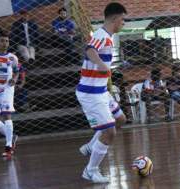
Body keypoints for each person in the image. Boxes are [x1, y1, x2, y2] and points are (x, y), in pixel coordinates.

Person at [76, 3, 127, 183]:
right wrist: (102, 65)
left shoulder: (108, 37)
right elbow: (89, 50)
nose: (123, 23)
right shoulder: (100, 36)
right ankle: (90, 170)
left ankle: (91, 147)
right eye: (122, 20)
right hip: (91, 93)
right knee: (109, 132)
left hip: (101, 91)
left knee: (120, 119)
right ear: (114, 19)